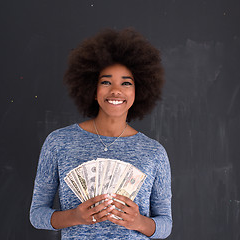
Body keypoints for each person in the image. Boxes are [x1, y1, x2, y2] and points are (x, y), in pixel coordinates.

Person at [30, 28, 172, 239]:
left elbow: (165, 225)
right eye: (106, 82)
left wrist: (139, 221)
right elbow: (37, 214)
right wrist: (75, 216)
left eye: (126, 83)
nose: (116, 90)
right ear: (92, 90)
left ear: (138, 91)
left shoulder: (154, 152)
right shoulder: (59, 142)